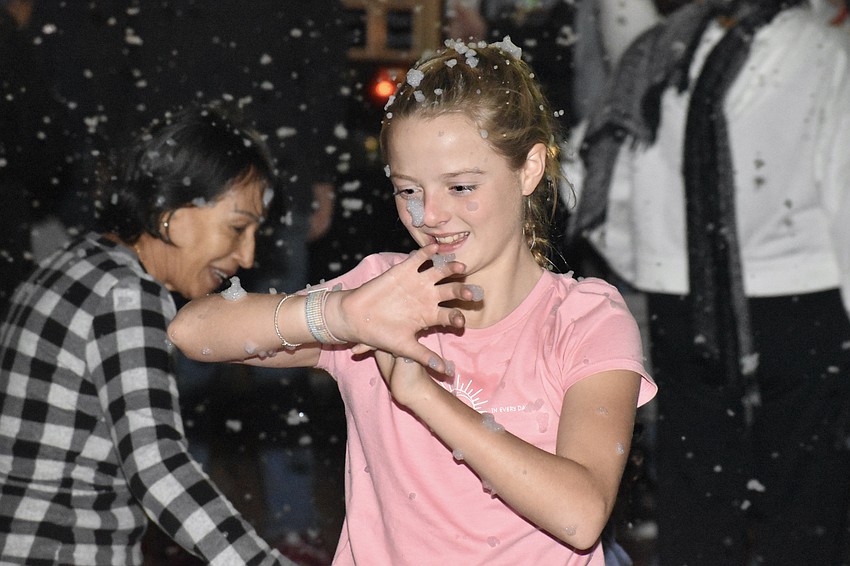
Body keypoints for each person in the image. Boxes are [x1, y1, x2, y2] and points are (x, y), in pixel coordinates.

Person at [169, 39, 657, 564]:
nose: (430, 215)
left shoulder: (584, 318)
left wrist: (422, 395)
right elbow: (192, 332)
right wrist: (342, 315)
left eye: (462, 186)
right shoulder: (382, 292)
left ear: (530, 168)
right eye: (408, 191)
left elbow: (580, 516)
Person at [0, 101, 473, 565]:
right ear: (173, 212)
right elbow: (160, 469)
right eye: (237, 227)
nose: (246, 257)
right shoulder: (127, 296)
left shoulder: (73, 267)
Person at [568, 0, 850, 563]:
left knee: (697, 484)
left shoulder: (661, 49)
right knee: (804, 488)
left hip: (689, 298)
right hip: (800, 296)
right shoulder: (822, 47)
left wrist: (657, 258)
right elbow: (844, 187)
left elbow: (603, 169)